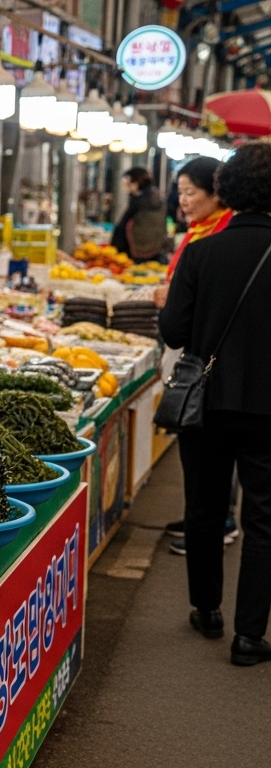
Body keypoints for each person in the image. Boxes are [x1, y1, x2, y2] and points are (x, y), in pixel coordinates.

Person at [158, 141, 271, 666]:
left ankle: (207, 611)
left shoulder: (202, 252)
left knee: (204, 508)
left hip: (205, 402)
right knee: (264, 520)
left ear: (225, 190)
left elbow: (174, 329)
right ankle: (250, 636)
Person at [157, 157, 238, 556]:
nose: (183, 200)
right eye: (181, 191)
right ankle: (205, 519)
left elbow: (179, 321)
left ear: (218, 191)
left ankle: (213, 524)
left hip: (209, 365)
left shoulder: (214, 239)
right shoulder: (200, 232)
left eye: (191, 191)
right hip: (234, 372)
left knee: (210, 464)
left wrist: (168, 303)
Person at [110, 167, 168, 263]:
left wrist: (115, 247)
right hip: (155, 248)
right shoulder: (157, 198)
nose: (125, 185)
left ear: (135, 181)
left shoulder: (140, 200)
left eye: (127, 180)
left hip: (133, 250)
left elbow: (124, 225)